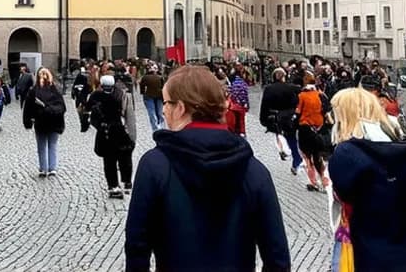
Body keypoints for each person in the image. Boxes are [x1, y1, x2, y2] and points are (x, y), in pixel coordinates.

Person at [124, 65, 290, 272]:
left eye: (166, 103)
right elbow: (277, 256)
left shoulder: (154, 166)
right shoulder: (254, 170)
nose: (164, 110)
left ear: (181, 108)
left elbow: (137, 247)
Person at [328, 88, 406, 272]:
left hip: (362, 254)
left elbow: (343, 193)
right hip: (403, 255)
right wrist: (398, 207)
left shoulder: (345, 154)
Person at [89, 75, 134, 199]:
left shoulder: (97, 96)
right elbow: (129, 116)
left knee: (111, 160)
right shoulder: (122, 95)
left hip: (108, 132)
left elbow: (90, 116)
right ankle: (123, 183)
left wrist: (98, 125)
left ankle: (115, 185)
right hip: (118, 131)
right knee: (121, 158)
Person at [23, 68, 66, 178]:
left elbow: (27, 108)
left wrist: (28, 121)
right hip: (54, 122)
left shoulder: (34, 91)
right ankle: (52, 168)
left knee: (42, 146)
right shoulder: (55, 90)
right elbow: (62, 107)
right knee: (52, 145)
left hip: (41, 122)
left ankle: (43, 168)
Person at [295, 72, 332, 192]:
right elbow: (327, 112)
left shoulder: (301, 96)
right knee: (318, 156)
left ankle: (313, 182)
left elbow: (297, 112)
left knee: (307, 157)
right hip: (319, 129)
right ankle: (324, 182)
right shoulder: (321, 95)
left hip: (305, 128)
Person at [260, 68, 300, 170]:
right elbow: (295, 102)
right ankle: (295, 157)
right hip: (289, 117)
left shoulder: (269, 89)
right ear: (283, 77)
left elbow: (265, 105)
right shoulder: (291, 88)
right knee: (291, 138)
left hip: (275, 117)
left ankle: (286, 152)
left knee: (279, 134)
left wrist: (263, 119)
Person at [139, 65, 165, 132]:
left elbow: (142, 87)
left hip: (149, 96)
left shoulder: (145, 77)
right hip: (159, 96)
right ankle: (160, 125)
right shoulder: (160, 77)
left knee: (152, 112)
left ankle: (155, 127)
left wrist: (142, 92)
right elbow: (163, 87)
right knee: (159, 112)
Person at [227, 64, 250, 136]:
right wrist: (247, 104)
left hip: (232, 104)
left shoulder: (231, 79)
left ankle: (233, 132)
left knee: (234, 120)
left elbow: (230, 91)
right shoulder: (243, 83)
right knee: (241, 120)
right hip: (240, 105)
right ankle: (241, 133)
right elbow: (244, 95)